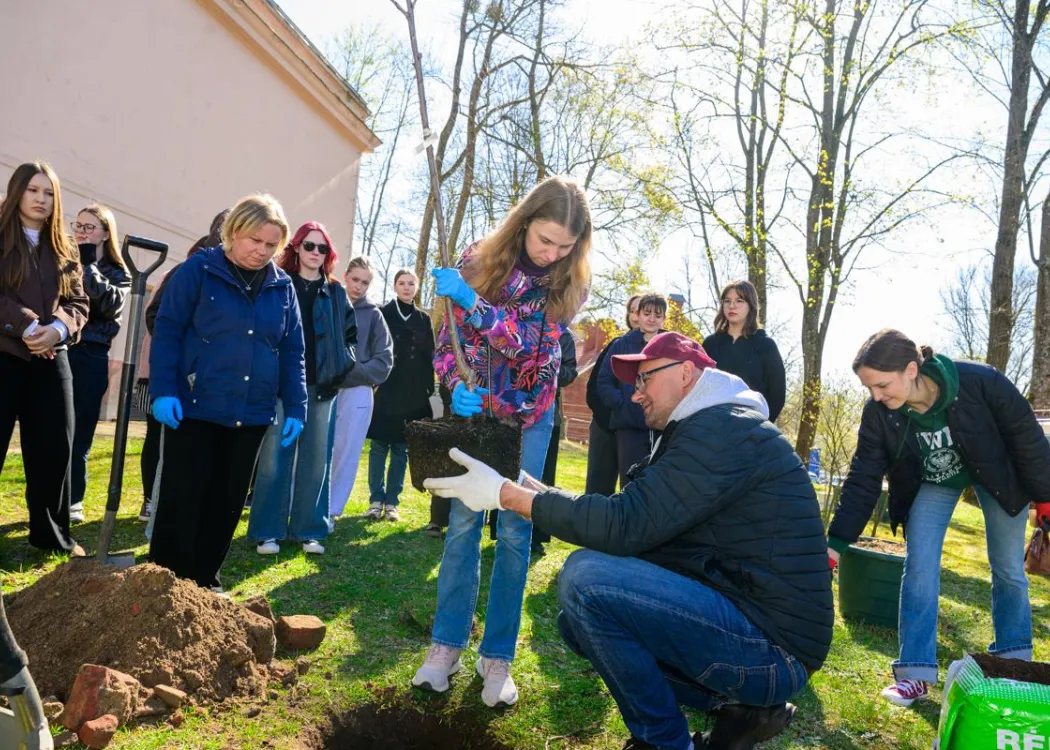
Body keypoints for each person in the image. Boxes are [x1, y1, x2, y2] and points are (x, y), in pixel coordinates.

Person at [423, 332, 834, 750]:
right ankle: (740, 708)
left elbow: (626, 525)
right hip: (753, 624)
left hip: (774, 651)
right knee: (578, 625)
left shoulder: (723, 430)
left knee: (586, 579)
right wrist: (531, 491)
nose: (636, 395)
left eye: (644, 380)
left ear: (687, 373)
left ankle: (665, 741)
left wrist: (505, 497)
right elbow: (637, 514)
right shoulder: (707, 426)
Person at [411, 175, 592, 708]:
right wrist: (455, 385)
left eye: (565, 246)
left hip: (529, 418)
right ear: (524, 223)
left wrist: (472, 301)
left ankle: (498, 658)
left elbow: (522, 345)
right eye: (545, 240)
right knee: (462, 525)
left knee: (515, 530)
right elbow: (448, 340)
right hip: (479, 414)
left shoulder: (565, 283)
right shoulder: (475, 261)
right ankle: (444, 648)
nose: (553, 253)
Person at [827, 329, 1050, 707]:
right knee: (919, 565)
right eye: (870, 389)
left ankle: (1012, 664)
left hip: (997, 474)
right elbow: (864, 476)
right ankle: (914, 673)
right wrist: (835, 545)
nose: (877, 397)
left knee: (1008, 568)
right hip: (934, 482)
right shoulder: (879, 413)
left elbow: (1025, 437)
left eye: (882, 385)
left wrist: (1046, 500)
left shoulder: (981, 382)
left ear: (911, 369)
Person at [147, 194, 306, 591]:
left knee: (227, 501)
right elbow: (168, 330)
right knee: (184, 497)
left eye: (272, 245)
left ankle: (205, 580)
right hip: (195, 407)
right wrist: (165, 389)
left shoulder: (282, 287)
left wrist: (297, 406)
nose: (262, 251)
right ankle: (165, 581)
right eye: (255, 240)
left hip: (251, 413)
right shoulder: (198, 271)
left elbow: (292, 349)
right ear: (234, 232)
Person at [249, 222, 357, 555]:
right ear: (296, 247)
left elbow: (350, 338)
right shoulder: (279, 284)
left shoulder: (336, 291)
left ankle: (310, 529)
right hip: (282, 387)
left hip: (322, 387)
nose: (315, 253)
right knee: (273, 458)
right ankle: (268, 531)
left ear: (329, 254)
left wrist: (341, 370)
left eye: (321, 248)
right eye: (309, 246)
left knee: (316, 460)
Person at [0, 162, 88, 554]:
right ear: (17, 191)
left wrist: (58, 329)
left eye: (49, 193)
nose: (41, 199)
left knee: (56, 447)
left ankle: (52, 538)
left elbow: (78, 301)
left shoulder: (65, 246)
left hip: (52, 357)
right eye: (34, 190)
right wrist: (27, 326)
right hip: (4, 354)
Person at [140, 209, 229, 524]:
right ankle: (151, 500)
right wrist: (184, 357)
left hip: (209, 384)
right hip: (172, 377)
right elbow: (156, 317)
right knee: (159, 439)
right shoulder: (188, 270)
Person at [67, 204, 129, 523]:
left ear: (106, 233)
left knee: (81, 428)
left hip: (91, 354)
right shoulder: (59, 260)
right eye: (78, 226)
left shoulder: (118, 273)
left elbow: (105, 304)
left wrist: (88, 263)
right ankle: (48, 495)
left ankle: (74, 498)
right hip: (58, 351)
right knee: (51, 427)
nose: (81, 232)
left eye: (89, 228)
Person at [368, 268, 435, 528]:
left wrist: (429, 390)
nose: (406, 288)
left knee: (400, 448)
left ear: (416, 287)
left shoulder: (423, 319)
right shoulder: (383, 313)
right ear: (395, 286)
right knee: (379, 446)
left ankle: (392, 502)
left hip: (413, 393)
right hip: (386, 389)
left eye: (411, 283)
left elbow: (430, 357)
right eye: (402, 283)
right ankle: (375, 500)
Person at [329, 255, 393, 522]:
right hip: (323, 390)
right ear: (345, 276)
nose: (358, 286)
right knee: (318, 450)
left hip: (357, 392)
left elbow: (385, 361)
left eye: (365, 283)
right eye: (355, 279)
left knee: (347, 452)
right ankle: (303, 508)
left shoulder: (374, 315)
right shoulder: (327, 303)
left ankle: (330, 512)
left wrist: (349, 372)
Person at [597, 293, 666, 487]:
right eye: (647, 313)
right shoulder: (622, 344)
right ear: (638, 315)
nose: (652, 319)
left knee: (656, 483)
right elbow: (604, 380)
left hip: (661, 427)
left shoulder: (670, 347)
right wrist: (621, 403)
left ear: (664, 318)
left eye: (657, 315)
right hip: (629, 426)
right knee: (628, 482)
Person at [701, 280, 785, 422]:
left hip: (752, 428)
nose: (732, 306)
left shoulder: (766, 345)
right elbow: (700, 387)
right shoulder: (710, 344)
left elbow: (777, 394)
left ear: (750, 306)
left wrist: (762, 425)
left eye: (739, 301)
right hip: (712, 425)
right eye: (727, 301)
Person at [584, 295, 640, 494]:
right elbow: (595, 388)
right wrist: (612, 416)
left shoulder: (659, 350)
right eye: (632, 310)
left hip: (637, 429)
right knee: (598, 486)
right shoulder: (616, 345)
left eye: (640, 309)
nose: (635, 315)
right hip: (606, 424)